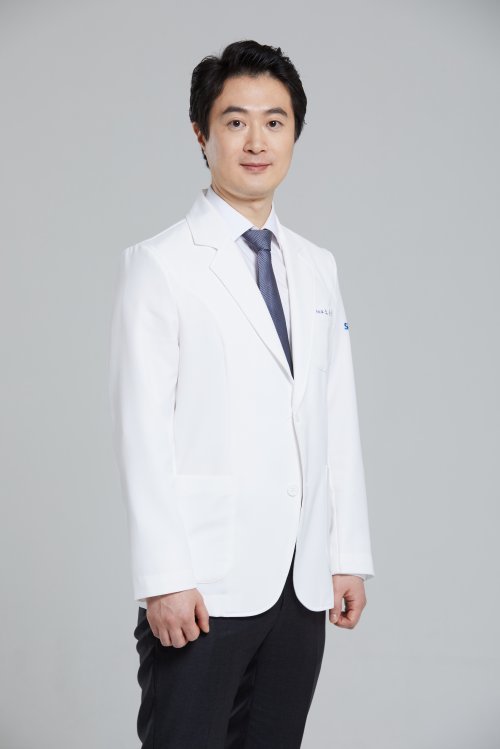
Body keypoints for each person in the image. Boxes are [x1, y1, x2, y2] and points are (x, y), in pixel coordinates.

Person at [108, 38, 375, 749]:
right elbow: (141, 430)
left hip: (299, 581)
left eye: (274, 122)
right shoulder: (160, 265)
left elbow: (334, 411)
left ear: (294, 134)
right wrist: (163, 576)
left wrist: (345, 551)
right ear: (202, 134)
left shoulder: (317, 266)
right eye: (235, 121)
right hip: (204, 581)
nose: (257, 141)